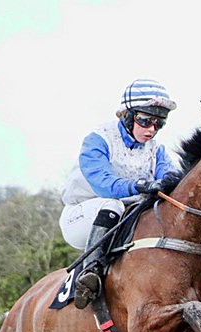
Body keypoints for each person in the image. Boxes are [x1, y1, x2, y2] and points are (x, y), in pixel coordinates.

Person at [60, 78, 178, 309]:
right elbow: (104, 184)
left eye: (159, 124)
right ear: (126, 114)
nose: (151, 130)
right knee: (112, 205)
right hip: (82, 216)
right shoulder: (98, 139)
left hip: (124, 218)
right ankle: (89, 273)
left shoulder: (157, 150)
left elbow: (171, 177)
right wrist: (140, 185)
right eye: (145, 121)